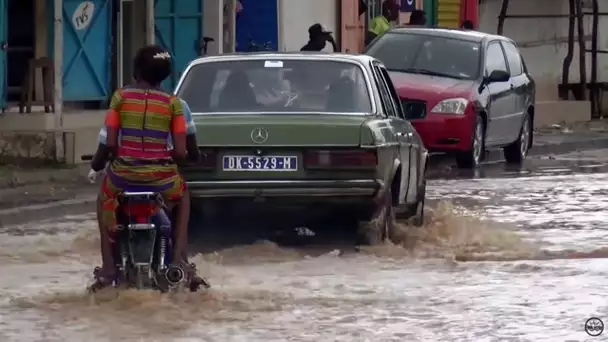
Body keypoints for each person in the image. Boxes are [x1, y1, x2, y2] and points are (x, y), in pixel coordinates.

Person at [88, 45, 203, 291]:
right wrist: (160, 156)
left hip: (122, 177)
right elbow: (182, 153)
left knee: (103, 198)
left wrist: (114, 159)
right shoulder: (174, 104)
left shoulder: (119, 98)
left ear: (136, 71)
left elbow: (109, 142)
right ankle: (179, 260)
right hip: (162, 178)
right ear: (166, 75)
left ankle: (108, 268)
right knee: (183, 197)